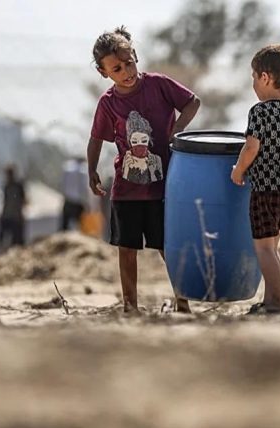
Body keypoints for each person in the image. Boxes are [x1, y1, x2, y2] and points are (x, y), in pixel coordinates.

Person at [86, 26, 201, 313]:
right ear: (104, 73)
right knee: (127, 249)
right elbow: (96, 138)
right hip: (126, 191)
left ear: (136, 56)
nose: (126, 71)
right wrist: (91, 171)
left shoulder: (159, 85)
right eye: (116, 68)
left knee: (167, 247)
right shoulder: (108, 103)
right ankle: (130, 306)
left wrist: (177, 130)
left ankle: (183, 303)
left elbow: (192, 102)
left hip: (163, 188)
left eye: (129, 63)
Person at [231, 44, 280, 314]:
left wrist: (238, 170)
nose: (253, 84)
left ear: (265, 77)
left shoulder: (259, 112)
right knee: (272, 248)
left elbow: (251, 147)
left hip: (265, 189)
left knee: (263, 250)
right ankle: (270, 299)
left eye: (254, 77)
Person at [0, 164, 27, 253]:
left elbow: (22, 201)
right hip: (8, 216)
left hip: (15, 217)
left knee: (17, 242)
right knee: (3, 239)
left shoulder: (17, 186)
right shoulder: (6, 186)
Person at [60, 156, 90, 231]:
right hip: (78, 201)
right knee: (79, 224)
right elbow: (84, 187)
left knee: (65, 225)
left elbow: (63, 184)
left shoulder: (68, 168)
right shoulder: (83, 170)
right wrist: (87, 202)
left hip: (68, 200)